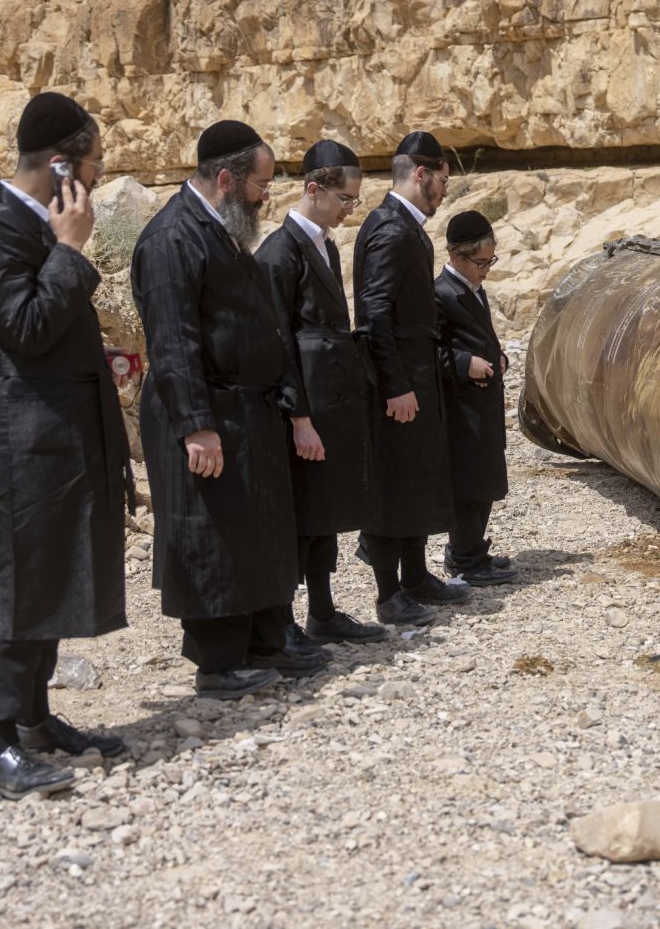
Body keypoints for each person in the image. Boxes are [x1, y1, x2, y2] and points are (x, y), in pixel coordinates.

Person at [0, 92, 135, 798]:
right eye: (94, 161)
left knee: (49, 571)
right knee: (12, 581)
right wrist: (69, 250)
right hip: (14, 437)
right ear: (62, 164)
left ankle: (34, 719)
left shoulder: (35, 226)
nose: (98, 175)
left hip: (51, 433)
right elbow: (26, 328)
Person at [131, 119, 328, 698]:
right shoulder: (171, 239)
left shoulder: (221, 230)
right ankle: (218, 662)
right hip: (207, 414)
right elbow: (171, 342)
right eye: (261, 185)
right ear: (225, 179)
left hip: (247, 411)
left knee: (258, 528)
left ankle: (265, 640)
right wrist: (196, 426)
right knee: (211, 535)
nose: (267, 196)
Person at [253, 139, 386, 645]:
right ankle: (283, 624)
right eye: (345, 200)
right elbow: (278, 345)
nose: (350, 210)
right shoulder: (279, 254)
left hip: (331, 403)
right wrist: (299, 418)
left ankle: (324, 612)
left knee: (325, 508)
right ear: (314, 190)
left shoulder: (325, 245)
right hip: (302, 408)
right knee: (299, 515)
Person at [351, 130, 468, 626]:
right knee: (393, 481)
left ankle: (415, 576)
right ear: (421, 175)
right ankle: (387, 594)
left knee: (417, 473)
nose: (444, 190)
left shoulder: (405, 226)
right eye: (442, 180)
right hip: (397, 378)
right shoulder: (392, 229)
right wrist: (396, 384)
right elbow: (374, 313)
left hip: (415, 371)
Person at [434, 210, 516, 586]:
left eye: (490, 261)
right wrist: (466, 364)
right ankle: (466, 558)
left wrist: (498, 357)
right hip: (461, 407)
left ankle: (471, 550)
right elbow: (429, 352)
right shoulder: (441, 294)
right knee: (469, 484)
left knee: (485, 479)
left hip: (482, 401)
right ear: (456, 256)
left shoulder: (471, 288)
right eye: (481, 262)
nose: (487, 269)